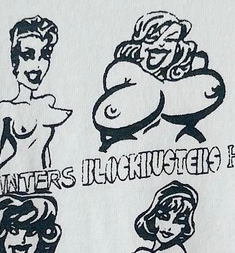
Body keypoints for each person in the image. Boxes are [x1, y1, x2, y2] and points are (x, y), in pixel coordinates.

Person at [92, 11, 226, 150]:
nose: (161, 44)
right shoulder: (123, 77)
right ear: (139, 44)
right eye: (153, 38)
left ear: (178, 48)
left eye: (170, 40)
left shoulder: (185, 85)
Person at [0, 16, 72, 174]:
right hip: (11, 180)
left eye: (44, 56)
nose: (37, 66)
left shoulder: (47, 102)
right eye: (28, 55)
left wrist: (49, 178)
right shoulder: (5, 109)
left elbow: (45, 153)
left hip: (40, 182)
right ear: (15, 62)